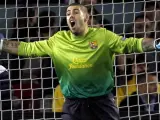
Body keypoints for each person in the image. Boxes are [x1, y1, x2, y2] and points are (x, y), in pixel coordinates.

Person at [0, 3, 160, 120]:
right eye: (68, 12)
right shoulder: (58, 40)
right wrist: (2, 43)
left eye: (75, 12)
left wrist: (155, 43)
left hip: (102, 102)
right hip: (73, 104)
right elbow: (27, 48)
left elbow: (132, 44)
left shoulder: (103, 36)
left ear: (87, 18)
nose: (70, 15)